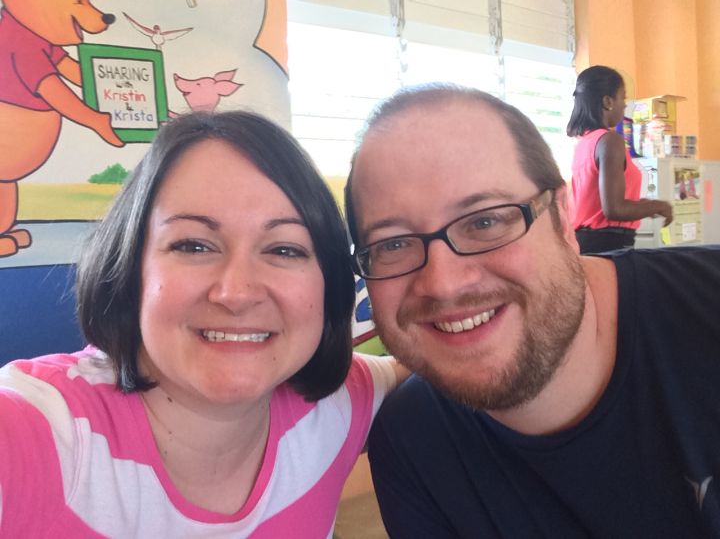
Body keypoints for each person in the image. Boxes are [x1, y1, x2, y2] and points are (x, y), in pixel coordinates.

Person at [0, 110, 405, 537]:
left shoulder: (339, 403)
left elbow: (428, 366)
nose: (237, 292)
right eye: (193, 246)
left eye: (284, 250)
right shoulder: (32, 431)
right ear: (131, 267)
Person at [345, 84, 720, 538]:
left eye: (485, 221)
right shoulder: (411, 444)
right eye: (393, 244)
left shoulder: (705, 306)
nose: (443, 284)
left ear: (562, 217)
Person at [567, 65, 673, 254]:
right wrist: (660, 205)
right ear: (608, 101)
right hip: (608, 244)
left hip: (586, 243)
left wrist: (643, 205)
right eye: (622, 98)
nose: (624, 105)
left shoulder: (585, 142)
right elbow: (615, 209)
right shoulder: (609, 140)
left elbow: (599, 206)